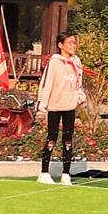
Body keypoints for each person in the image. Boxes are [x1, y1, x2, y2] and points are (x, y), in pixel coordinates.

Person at [36, 31, 88, 185]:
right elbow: (46, 85)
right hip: (54, 106)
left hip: (70, 106)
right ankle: (44, 172)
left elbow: (79, 83)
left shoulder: (77, 62)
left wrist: (80, 97)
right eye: (70, 43)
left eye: (75, 42)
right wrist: (42, 107)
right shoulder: (54, 62)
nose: (73, 46)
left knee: (68, 140)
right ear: (61, 45)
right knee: (52, 138)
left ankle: (66, 174)